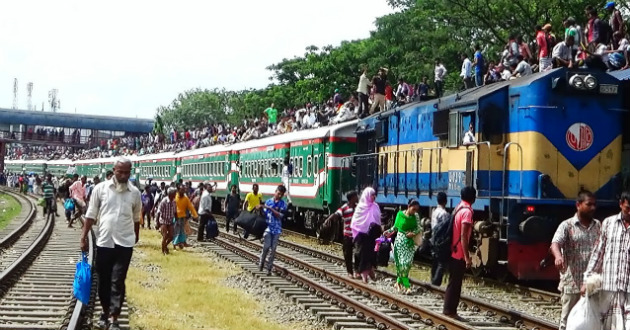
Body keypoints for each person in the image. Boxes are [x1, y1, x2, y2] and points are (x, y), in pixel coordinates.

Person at [81, 158, 141, 330]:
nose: (123, 175)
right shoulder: (100, 189)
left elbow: (136, 217)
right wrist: (83, 236)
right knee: (104, 281)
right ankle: (105, 312)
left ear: (130, 172)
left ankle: (114, 318)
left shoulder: (135, 193)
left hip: (125, 243)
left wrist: (135, 236)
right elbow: (91, 215)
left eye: (126, 172)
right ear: (113, 170)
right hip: (104, 242)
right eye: (120, 171)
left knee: (118, 280)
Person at [550, 190, 600, 330]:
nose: (593, 208)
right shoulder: (567, 225)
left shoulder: (598, 226)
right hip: (572, 283)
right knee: (567, 320)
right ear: (578, 205)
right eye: (589, 204)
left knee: (592, 320)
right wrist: (558, 256)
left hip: (592, 284)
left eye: (594, 205)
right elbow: (555, 243)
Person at [583, 192, 630, 329]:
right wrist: (587, 280)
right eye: (627, 208)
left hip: (628, 288)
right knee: (606, 325)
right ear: (621, 204)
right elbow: (598, 252)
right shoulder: (608, 223)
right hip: (609, 286)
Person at [443, 186, 476, 319]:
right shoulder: (467, 212)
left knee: (453, 282)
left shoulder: (458, 207)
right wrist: (467, 257)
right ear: (472, 197)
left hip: (453, 250)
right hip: (459, 253)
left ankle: (448, 309)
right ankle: (450, 311)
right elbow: (463, 236)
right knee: (456, 284)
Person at [385, 200, 421, 294]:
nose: (414, 211)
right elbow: (395, 227)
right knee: (402, 265)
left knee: (407, 264)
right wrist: (387, 231)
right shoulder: (400, 214)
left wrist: (413, 233)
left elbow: (419, 228)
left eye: (416, 210)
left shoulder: (416, 216)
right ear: (409, 206)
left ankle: (398, 282)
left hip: (409, 243)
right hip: (400, 242)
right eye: (413, 209)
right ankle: (407, 287)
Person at [324, 191, 359, 278]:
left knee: (358, 253)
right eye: (355, 196)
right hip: (347, 234)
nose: (357, 198)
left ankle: (357, 271)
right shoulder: (344, 208)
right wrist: (328, 220)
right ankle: (350, 272)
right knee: (348, 254)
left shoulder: (358, 208)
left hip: (357, 235)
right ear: (352, 198)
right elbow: (336, 215)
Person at [350, 187, 382, 283]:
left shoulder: (375, 206)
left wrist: (378, 229)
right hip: (361, 235)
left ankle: (368, 271)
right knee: (362, 253)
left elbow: (378, 220)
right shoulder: (360, 207)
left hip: (372, 234)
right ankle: (362, 273)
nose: (373, 197)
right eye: (372, 195)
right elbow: (355, 222)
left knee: (371, 253)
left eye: (374, 195)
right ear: (367, 195)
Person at [259, 185, 287, 276]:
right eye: (278, 193)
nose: (279, 196)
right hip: (268, 228)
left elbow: (280, 215)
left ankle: (269, 268)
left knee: (273, 250)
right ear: (275, 192)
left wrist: (269, 208)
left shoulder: (283, 204)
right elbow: (264, 213)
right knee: (266, 247)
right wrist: (260, 209)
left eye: (281, 195)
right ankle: (261, 262)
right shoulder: (268, 201)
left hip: (277, 229)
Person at [430, 192, 450, 286]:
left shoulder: (434, 212)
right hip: (441, 240)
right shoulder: (444, 214)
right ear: (445, 201)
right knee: (441, 262)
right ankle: (436, 283)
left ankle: (433, 279)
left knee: (435, 260)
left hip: (434, 238)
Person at [173, 184, 198, 249]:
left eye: (184, 190)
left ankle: (182, 243)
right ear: (178, 190)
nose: (183, 191)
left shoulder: (186, 199)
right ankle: (175, 244)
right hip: (175, 217)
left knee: (182, 231)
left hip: (182, 217)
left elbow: (191, 207)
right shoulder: (174, 197)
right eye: (182, 190)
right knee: (175, 230)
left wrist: (195, 215)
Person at [157, 187, 177, 255]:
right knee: (165, 236)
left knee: (171, 236)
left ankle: (165, 246)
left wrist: (176, 220)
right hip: (163, 221)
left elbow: (175, 212)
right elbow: (159, 212)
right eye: (174, 193)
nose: (175, 195)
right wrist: (157, 222)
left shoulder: (174, 201)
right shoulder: (164, 201)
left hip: (170, 221)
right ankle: (163, 251)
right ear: (170, 194)